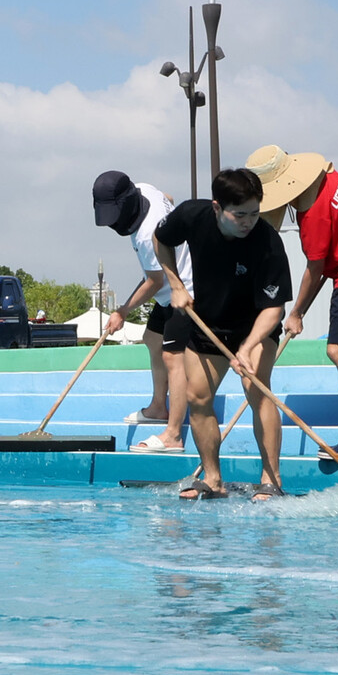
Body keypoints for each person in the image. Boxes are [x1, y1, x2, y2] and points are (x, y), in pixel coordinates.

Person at [246, 145, 338, 461]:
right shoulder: (328, 180)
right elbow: (328, 259)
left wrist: (296, 313)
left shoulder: (313, 216)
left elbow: (315, 270)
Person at [153, 167, 292, 501]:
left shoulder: (268, 242)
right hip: (208, 321)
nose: (249, 221)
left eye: (255, 213)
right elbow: (160, 240)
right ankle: (213, 480)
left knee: (256, 387)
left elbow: (273, 309)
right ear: (217, 208)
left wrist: (247, 346)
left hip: (254, 324)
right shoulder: (191, 215)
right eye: (240, 214)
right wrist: (175, 284)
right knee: (197, 397)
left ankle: (270, 480)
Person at [92, 170, 194, 454]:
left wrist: (122, 311)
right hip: (166, 292)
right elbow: (168, 197)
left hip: (184, 291)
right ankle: (159, 407)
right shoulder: (144, 189)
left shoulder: (149, 235)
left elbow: (154, 281)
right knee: (152, 339)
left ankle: (173, 434)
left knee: (174, 358)